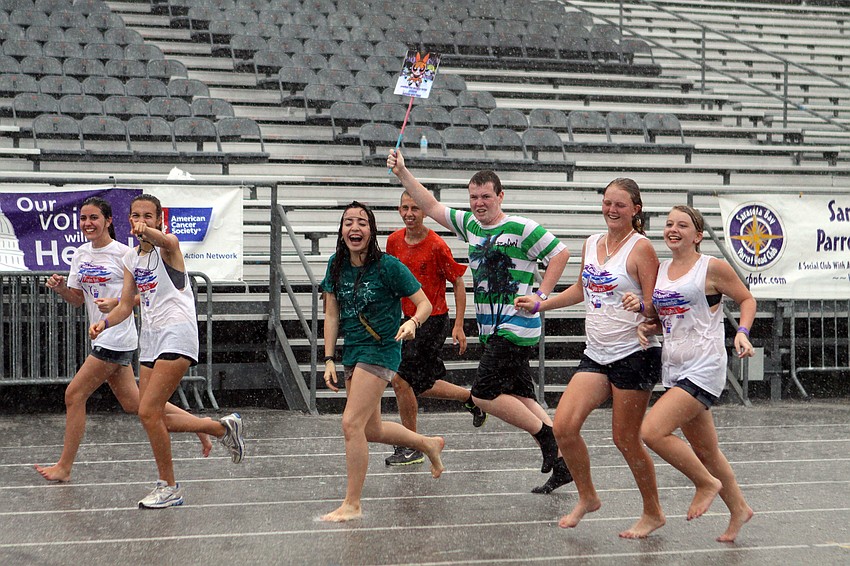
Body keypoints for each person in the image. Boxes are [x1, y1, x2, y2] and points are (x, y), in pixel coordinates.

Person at [388, 150, 572, 489]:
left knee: (484, 394)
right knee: (522, 397)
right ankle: (562, 463)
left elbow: (560, 253)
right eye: (474, 197)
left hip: (515, 326)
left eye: (486, 196)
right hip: (492, 327)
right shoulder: (471, 226)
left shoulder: (521, 228)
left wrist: (541, 296)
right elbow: (430, 205)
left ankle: (547, 437)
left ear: (500, 196)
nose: (479, 202)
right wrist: (403, 173)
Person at [515, 178, 665, 538]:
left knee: (626, 439)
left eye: (620, 205)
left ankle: (653, 512)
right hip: (596, 353)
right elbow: (581, 289)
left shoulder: (641, 249)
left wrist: (643, 308)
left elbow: (658, 307)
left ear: (636, 210)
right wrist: (542, 303)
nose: (612, 210)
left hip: (634, 353)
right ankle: (588, 496)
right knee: (564, 427)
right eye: (607, 203)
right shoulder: (592, 243)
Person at [35, 196, 212, 483]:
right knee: (138, 404)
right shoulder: (85, 255)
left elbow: (149, 283)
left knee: (74, 395)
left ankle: (65, 466)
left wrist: (114, 304)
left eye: (94, 218)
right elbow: (79, 299)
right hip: (109, 332)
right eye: (83, 219)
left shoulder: (126, 252)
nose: (88, 224)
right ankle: (201, 425)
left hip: (122, 337)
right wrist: (62, 292)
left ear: (108, 221)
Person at [89, 194, 245, 509]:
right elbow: (124, 306)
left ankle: (169, 486)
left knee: (148, 412)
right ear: (128, 219)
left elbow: (163, 239)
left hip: (178, 333)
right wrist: (105, 323)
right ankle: (219, 427)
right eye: (136, 216)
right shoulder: (130, 259)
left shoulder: (169, 247)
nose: (141, 221)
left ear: (159, 220)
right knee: (154, 415)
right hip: (151, 337)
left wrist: (149, 233)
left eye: (148, 216)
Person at [634, 205, 755, 543]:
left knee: (652, 431)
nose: (674, 229)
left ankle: (704, 483)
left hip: (705, 364)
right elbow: (670, 315)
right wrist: (649, 325)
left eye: (683, 225)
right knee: (707, 451)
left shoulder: (710, 267)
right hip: (674, 365)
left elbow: (747, 299)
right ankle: (739, 508)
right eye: (670, 224)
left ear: (698, 235)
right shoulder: (659, 271)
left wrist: (742, 332)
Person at [320, 201, 445, 522]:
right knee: (371, 429)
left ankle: (352, 504)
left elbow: (424, 304)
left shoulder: (387, 266)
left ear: (372, 231)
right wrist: (329, 357)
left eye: (362, 222)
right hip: (353, 352)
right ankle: (426, 443)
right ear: (342, 230)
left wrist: (413, 322)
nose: (355, 228)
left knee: (350, 424)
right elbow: (331, 313)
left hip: (382, 350)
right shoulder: (336, 265)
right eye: (348, 222)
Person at [385, 191, 487, 467]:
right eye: (405, 208)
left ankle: (412, 445)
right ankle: (472, 398)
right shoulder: (393, 241)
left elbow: (458, 282)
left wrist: (459, 324)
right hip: (405, 320)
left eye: (415, 208)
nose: (410, 213)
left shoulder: (436, 245)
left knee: (401, 380)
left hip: (432, 321)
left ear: (425, 212)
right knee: (421, 383)